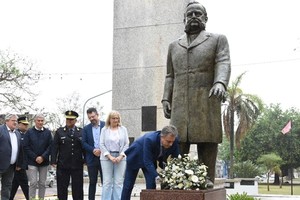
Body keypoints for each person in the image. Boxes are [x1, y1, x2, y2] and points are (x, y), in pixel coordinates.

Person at [162, 0, 231, 183]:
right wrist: (165, 98)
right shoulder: (173, 46)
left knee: (207, 139)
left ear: (205, 18)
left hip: (206, 98)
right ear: (184, 18)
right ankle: (176, 177)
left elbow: (223, 62)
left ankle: (207, 177)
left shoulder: (217, 39)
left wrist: (220, 83)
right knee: (178, 139)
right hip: (180, 100)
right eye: (190, 14)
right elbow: (170, 75)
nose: (193, 17)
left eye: (198, 14)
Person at [121, 125, 179, 200]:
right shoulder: (150, 139)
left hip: (150, 159)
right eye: (168, 141)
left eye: (172, 141)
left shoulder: (174, 141)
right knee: (128, 185)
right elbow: (147, 161)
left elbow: (176, 159)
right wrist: (157, 176)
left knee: (151, 184)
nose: (171, 144)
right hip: (135, 156)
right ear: (162, 137)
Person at [51, 110, 84, 200]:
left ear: (75, 121)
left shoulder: (81, 132)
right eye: (67, 119)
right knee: (62, 188)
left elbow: (83, 147)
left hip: (77, 164)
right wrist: (53, 160)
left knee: (77, 188)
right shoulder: (59, 132)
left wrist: (86, 160)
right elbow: (54, 147)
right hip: (63, 164)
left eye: (71, 119)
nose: (69, 121)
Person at [100, 110, 129, 200]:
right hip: (107, 158)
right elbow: (101, 144)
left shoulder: (123, 129)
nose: (115, 120)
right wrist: (109, 156)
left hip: (121, 157)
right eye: (113, 118)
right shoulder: (104, 130)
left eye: (117, 118)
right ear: (109, 119)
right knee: (107, 182)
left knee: (118, 182)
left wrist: (121, 156)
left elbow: (126, 144)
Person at [23, 113, 53, 199]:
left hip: (44, 162)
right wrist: (35, 157)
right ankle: (32, 198)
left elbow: (50, 146)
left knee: (42, 183)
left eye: (42, 121)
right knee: (33, 182)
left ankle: (41, 198)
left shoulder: (48, 132)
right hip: (32, 162)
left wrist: (42, 157)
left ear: (44, 122)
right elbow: (26, 146)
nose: (40, 122)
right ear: (35, 121)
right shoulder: (29, 132)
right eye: (38, 121)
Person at [82, 107, 105, 200]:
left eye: (93, 116)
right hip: (91, 159)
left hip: (104, 157)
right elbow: (83, 143)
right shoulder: (86, 128)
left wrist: (101, 150)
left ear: (97, 115)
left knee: (106, 182)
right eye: (89, 117)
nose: (92, 119)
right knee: (92, 182)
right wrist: (93, 150)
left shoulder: (106, 125)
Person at [0, 114, 24, 200]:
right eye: (13, 120)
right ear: (6, 121)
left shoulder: (17, 133)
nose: (15, 122)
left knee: (7, 187)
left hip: (11, 166)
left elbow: (19, 150)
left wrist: (19, 163)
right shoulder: (1, 130)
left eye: (16, 121)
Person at [10, 116, 30, 200]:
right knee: (24, 185)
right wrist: (19, 164)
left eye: (27, 124)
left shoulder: (28, 134)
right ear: (18, 124)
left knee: (14, 186)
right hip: (17, 166)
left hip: (24, 165)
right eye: (24, 124)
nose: (26, 126)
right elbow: (16, 151)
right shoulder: (15, 134)